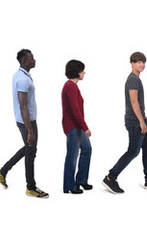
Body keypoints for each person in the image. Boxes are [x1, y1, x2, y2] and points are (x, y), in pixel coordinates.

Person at [101, 52, 147, 194]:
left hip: (138, 119)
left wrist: (143, 117)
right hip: (135, 121)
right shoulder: (132, 79)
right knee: (133, 151)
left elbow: (135, 103)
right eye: (138, 62)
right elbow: (133, 101)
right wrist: (140, 121)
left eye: (143, 62)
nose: (141, 64)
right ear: (131, 63)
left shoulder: (136, 79)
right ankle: (110, 177)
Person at [0, 49, 49, 198]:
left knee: (29, 148)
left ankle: (3, 171)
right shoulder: (23, 79)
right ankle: (31, 187)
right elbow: (23, 105)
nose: (34, 60)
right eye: (31, 59)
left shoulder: (20, 75)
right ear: (24, 61)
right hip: (27, 122)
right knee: (31, 152)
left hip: (26, 120)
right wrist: (30, 130)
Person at [61, 60, 92, 194]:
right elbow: (75, 110)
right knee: (72, 156)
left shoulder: (73, 86)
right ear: (77, 72)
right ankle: (69, 185)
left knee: (87, 149)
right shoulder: (70, 86)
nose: (84, 72)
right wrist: (85, 127)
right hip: (73, 127)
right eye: (82, 70)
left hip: (76, 126)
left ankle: (81, 180)